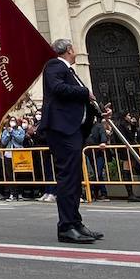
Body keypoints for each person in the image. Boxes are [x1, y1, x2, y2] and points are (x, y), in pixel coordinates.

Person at [39, 38, 102, 244]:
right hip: (62, 130)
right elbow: (58, 89)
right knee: (68, 179)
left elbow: (75, 103)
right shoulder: (54, 65)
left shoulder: (69, 71)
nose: (76, 52)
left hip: (73, 131)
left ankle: (76, 223)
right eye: (73, 49)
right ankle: (66, 227)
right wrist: (86, 93)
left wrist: (99, 113)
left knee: (74, 179)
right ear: (68, 50)